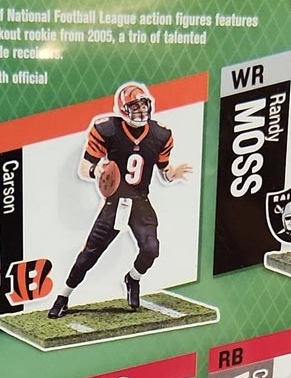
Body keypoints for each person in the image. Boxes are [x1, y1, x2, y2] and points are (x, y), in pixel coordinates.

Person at [45, 83, 194, 318]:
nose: (141, 110)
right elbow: (84, 167)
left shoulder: (160, 134)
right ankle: (63, 296)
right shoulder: (107, 129)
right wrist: (96, 171)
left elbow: (164, 170)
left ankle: (133, 278)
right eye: (135, 106)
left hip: (140, 200)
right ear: (123, 109)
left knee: (151, 248)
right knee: (88, 256)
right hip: (115, 202)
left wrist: (173, 174)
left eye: (143, 105)